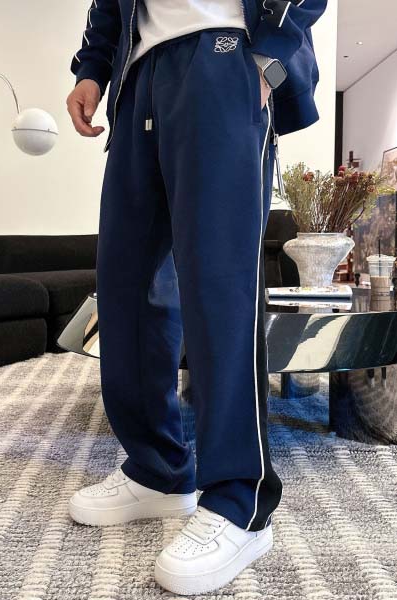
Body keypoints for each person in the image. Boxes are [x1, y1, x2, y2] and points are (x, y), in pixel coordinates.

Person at [66, 0, 327, 594]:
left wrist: (270, 56)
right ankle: (157, 470)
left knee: (219, 286)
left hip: (226, 50)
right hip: (138, 72)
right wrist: (93, 67)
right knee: (126, 287)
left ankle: (240, 500)